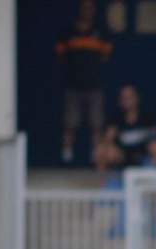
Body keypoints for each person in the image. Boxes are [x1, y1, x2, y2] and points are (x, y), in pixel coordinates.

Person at [56, 0, 112, 164]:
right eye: (84, 8)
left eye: (90, 8)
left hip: (94, 87)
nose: (87, 11)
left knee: (96, 125)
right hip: (73, 86)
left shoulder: (99, 32)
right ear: (79, 10)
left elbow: (105, 56)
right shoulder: (69, 32)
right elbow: (61, 55)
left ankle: (96, 156)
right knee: (69, 124)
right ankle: (66, 155)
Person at [94, 84, 156, 173]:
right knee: (101, 150)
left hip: (143, 155)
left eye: (130, 96)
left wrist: (154, 147)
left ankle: (154, 182)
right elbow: (107, 141)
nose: (127, 100)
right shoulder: (115, 119)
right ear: (120, 100)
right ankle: (102, 183)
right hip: (123, 156)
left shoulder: (148, 118)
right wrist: (108, 142)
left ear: (137, 98)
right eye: (124, 97)